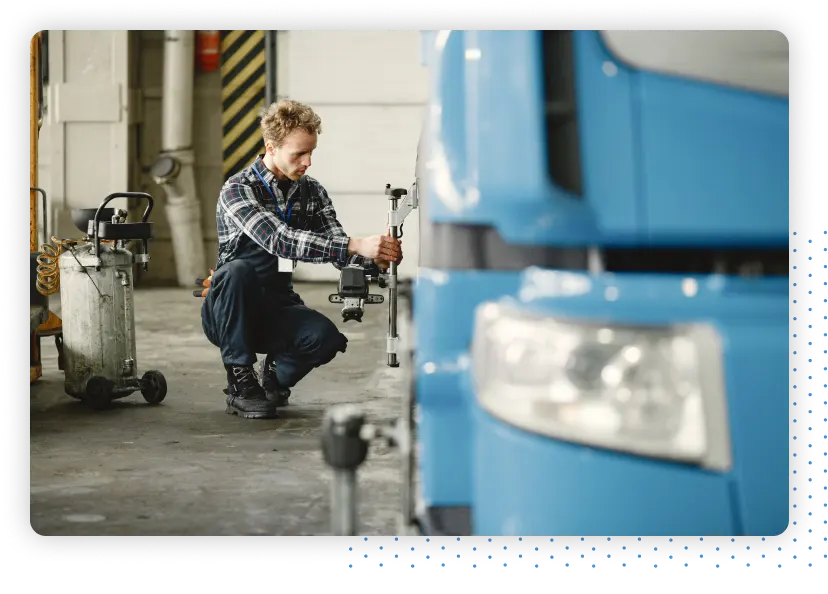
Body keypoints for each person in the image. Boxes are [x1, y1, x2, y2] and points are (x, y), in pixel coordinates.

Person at [201, 99, 403, 420]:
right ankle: (240, 382)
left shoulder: (312, 193)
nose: (308, 162)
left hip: (277, 303)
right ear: (271, 147)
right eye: (299, 154)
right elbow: (278, 239)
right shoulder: (238, 190)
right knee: (237, 271)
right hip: (230, 309)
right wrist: (357, 244)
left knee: (325, 338)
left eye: (311, 152)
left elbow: (339, 247)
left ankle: (273, 378)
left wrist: (374, 259)